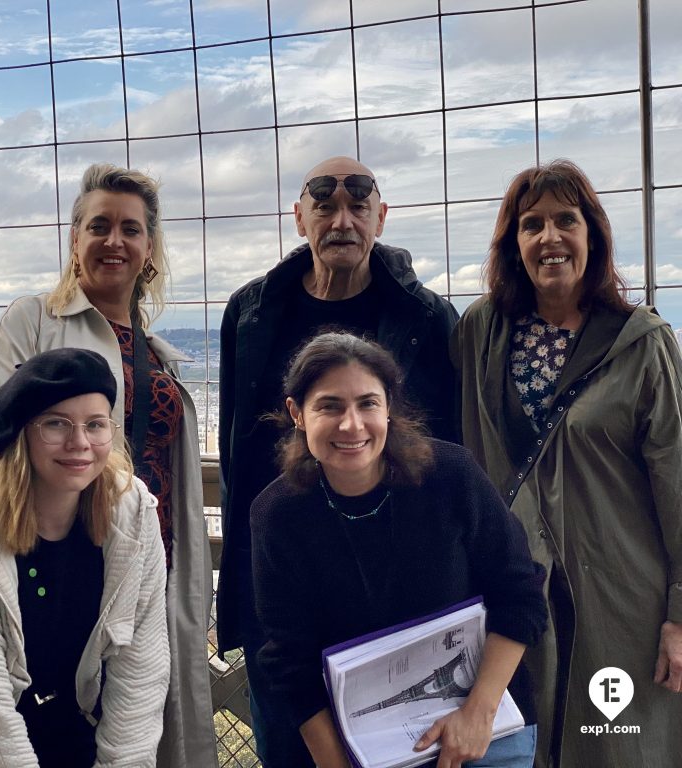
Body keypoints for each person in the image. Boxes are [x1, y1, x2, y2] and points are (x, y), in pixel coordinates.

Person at [0, 163, 216, 766]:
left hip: (147, 561)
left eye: (131, 229)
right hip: (60, 563)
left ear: (149, 249)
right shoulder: (34, 321)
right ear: (74, 240)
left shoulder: (155, 349)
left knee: (140, 723)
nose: (115, 241)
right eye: (99, 226)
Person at [217, 155, 459, 765]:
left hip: (396, 589)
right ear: (299, 219)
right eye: (324, 205)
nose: (342, 219)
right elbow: (239, 454)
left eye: (358, 204)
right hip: (283, 588)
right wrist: (241, 594)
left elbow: (452, 451)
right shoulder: (250, 312)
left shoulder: (427, 317)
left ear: (382, 216)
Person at [452, 159, 682, 768]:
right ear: (514, 245)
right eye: (532, 225)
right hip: (514, 591)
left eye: (565, 221)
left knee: (619, 749)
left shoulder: (643, 341)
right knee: (524, 748)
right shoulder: (483, 330)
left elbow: (678, 481)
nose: (549, 238)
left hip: (621, 596)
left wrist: (681, 615)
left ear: (594, 236)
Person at [251, 332, 547, 768]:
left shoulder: (452, 477)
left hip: (484, 733)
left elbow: (520, 595)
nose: (351, 424)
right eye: (330, 405)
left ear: (389, 407)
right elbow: (288, 660)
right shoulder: (278, 514)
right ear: (297, 413)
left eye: (367, 403)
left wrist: (477, 715)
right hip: (364, 750)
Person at [0, 348, 170, 767]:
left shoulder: (131, 518)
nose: (79, 443)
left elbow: (140, 668)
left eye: (95, 425)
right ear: (22, 433)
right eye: (56, 424)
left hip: (78, 728)